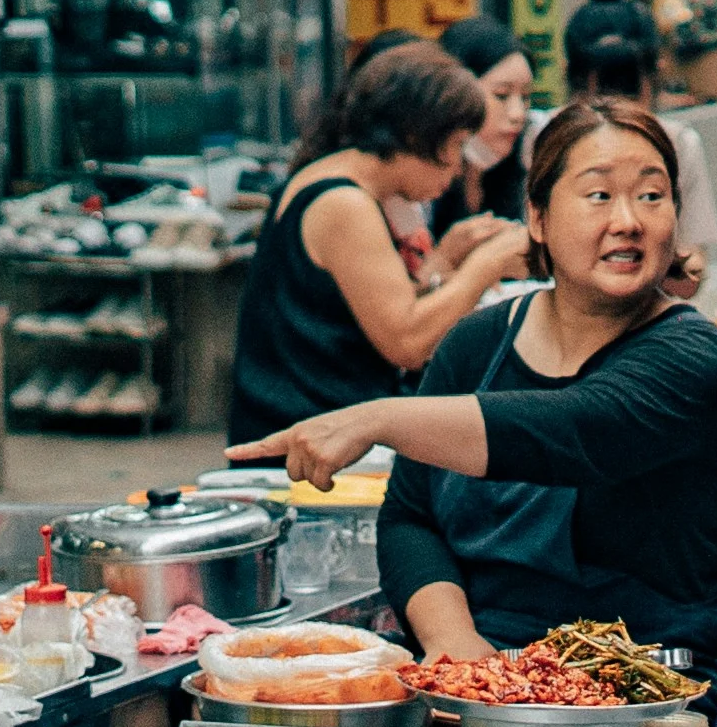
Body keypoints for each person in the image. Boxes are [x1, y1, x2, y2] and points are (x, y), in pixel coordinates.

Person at [240, 100, 717, 673]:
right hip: (474, 679)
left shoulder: (690, 355)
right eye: (599, 195)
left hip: (640, 690)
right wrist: (456, 646)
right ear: (538, 217)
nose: (628, 220)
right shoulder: (477, 344)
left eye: (652, 196)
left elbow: (572, 428)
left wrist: (377, 419)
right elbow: (412, 517)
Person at [228, 40, 534, 441]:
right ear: (415, 135)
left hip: (310, 427)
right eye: (458, 146)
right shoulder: (344, 203)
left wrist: (443, 262)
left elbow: (377, 312)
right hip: (307, 437)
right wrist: (485, 266)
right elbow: (406, 343)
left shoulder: (333, 180)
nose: (459, 168)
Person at [563, 0, 717, 281]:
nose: (617, 111)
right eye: (604, 93)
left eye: (628, 89)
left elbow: (693, 267)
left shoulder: (678, 143)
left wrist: (669, 264)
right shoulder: (546, 139)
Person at [434, 17, 536, 233]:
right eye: (501, 95)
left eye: (526, 97)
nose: (518, 114)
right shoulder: (422, 186)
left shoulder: (524, 173)